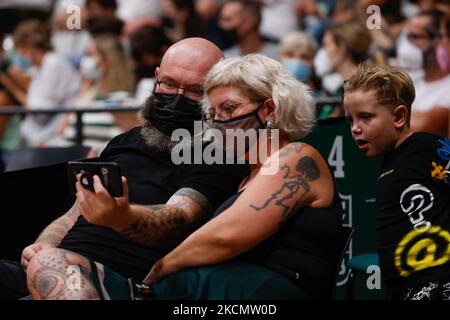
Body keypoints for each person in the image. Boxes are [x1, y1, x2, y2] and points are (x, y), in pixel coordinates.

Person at [30, 54, 345, 300]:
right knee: (53, 270)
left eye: (229, 108)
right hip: (215, 290)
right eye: (214, 113)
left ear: (269, 110)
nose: (219, 122)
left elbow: (225, 237)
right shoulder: (248, 175)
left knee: (55, 269)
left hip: (260, 294)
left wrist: (160, 269)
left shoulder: (295, 156)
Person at [0, 37, 248, 300]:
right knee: (47, 262)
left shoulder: (216, 152)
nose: (178, 99)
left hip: (117, 280)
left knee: (52, 265)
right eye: (169, 84)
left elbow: (179, 217)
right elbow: (75, 212)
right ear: (156, 78)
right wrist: (44, 244)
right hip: (56, 267)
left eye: (195, 91)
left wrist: (123, 217)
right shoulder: (126, 140)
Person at [342, 64, 450, 300]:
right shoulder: (389, 164)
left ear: (399, 116)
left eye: (366, 117)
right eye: (351, 120)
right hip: (401, 290)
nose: (355, 129)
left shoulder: (426, 147)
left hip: (437, 284)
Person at [0, 19, 81, 147]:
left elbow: (41, 113)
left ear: (31, 44)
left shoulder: (53, 64)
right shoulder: (39, 67)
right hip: (41, 141)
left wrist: (10, 86)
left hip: (55, 142)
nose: (20, 55)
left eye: (21, 49)